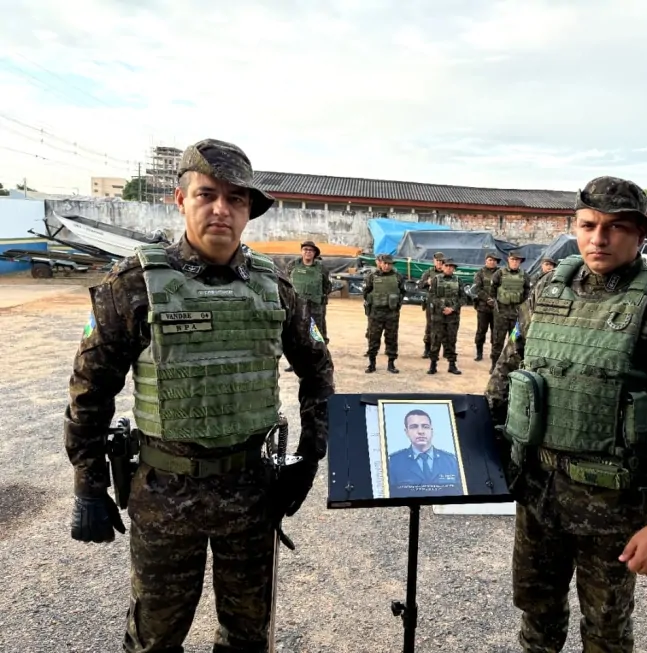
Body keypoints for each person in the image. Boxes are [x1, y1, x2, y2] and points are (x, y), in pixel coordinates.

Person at [64, 138, 335, 653]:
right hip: (164, 491)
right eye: (207, 194)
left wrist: (309, 455)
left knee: (248, 636)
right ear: (180, 199)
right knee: (155, 638)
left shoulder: (275, 286)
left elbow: (318, 370)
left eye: (235, 199)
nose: (221, 209)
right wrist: (88, 482)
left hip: (251, 490)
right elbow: (90, 388)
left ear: (249, 211)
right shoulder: (133, 284)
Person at [485, 176, 647, 653]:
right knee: (536, 616)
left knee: (606, 634)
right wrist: (479, 461)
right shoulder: (547, 288)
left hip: (614, 507)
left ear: (641, 235)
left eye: (615, 227)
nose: (599, 238)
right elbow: (505, 377)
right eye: (588, 225)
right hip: (537, 494)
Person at [387, 408, 461, 497]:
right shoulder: (394, 462)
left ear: (431, 431)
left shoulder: (451, 461)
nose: (420, 432)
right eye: (414, 427)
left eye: (425, 427)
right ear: (406, 432)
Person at [362, 253, 406, 373]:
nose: (387, 266)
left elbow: (402, 292)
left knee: (392, 338)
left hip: (391, 313)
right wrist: (373, 300)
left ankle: (391, 364)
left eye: (389, 264)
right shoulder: (372, 276)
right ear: (380, 263)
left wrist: (396, 303)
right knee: (373, 338)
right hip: (376, 313)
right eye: (385, 263)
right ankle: (372, 364)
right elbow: (366, 292)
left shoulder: (398, 277)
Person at [489, 251, 531, 373]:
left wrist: (522, 308)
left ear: (520, 262)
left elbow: (527, 292)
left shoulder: (524, 275)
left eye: (517, 260)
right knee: (498, 340)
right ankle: (495, 365)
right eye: (513, 259)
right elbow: (492, 290)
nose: (515, 262)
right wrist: (496, 304)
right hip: (501, 314)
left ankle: (512, 366)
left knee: (515, 340)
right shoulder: (499, 273)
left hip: (516, 315)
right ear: (508, 260)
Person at [427, 258, 463, 375]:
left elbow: (463, 298)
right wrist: (443, 307)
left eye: (451, 266)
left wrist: (452, 309)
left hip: (453, 317)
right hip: (438, 316)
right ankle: (433, 365)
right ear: (442, 267)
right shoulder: (436, 279)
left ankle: (452, 365)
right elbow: (432, 296)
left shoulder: (458, 280)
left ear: (454, 268)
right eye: (446, 266)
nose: (448, 268)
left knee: (451, 340)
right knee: (435, 340)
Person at [471, 252, 501, 362]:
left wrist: (495, 300)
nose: (492, 262)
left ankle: (494, 353)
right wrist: (488, 299)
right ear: (486, 261)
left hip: (497, 307)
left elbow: (503, 288)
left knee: (496, 331)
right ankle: (479, 353)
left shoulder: (501, 273)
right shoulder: (480, 273)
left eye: (494, 260)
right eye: (490, 260)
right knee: (481, 330)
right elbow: (477, 288)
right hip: (483, 307)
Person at [417, 252, 445, 358]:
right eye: (438, 261)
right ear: (434, 261)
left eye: (441, 261)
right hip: (431, 304)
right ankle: (427, 349)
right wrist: (427, 283)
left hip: (444, 303)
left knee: (444, 326)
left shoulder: (447, 272)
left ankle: (443, 350)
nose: (440, 263)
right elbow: (420, 285)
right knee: (430, 326)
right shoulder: (428, 272)